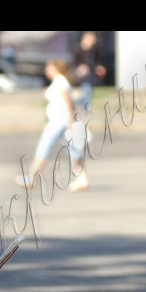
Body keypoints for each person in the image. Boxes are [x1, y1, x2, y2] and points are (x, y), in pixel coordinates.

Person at [16, 59, 89, 193]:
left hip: (58, 121)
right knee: (73, 150)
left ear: (55, 68)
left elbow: (67, 100)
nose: (46, 71)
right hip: (61, 120)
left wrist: (69, 118)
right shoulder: (60, 81)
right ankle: (82, 178)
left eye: (49, 68)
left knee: (43, 146)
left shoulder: (60, 81)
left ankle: (32, 177)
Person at [73, 31, 107, 110]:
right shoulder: (78, 49)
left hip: (90, 74)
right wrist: (81, 67)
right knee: (86, 87)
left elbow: (96, 62)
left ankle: (83, 103)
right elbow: (74, 63)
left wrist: (98, 67)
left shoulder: (94, 50)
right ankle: (84, 105)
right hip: (81, 75)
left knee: (87, 88)